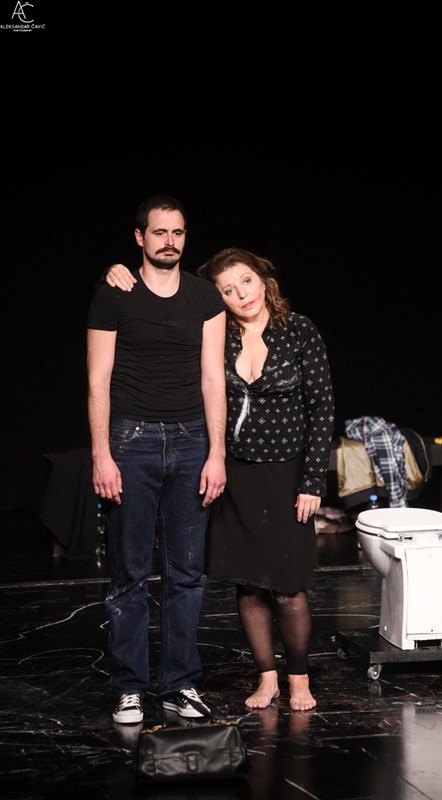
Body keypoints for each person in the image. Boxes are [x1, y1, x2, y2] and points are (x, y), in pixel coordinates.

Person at [106, 246, 335, 711]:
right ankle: (267, 678)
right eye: (228, 290)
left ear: (263, 278)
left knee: (288, 585)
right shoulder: (216, 333)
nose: (241, 294)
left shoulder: (299, 330)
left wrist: (313, 481)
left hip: (287, 476)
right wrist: (114, 273)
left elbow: (322, 408)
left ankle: (298, 679)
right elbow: (163, 303)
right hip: (234, 477)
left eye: (246, 281)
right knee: (248, 585)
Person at [87, 194, 227, 726]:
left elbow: (213, 378)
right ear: (140, 237)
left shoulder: (204, 296)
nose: (170, 241)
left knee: (185, 573)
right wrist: (102, 454)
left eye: (178, 232)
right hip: (132, 441)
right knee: (128, 573)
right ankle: (129, 687)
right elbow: (98, 380)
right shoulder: (114, 294)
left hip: (193, 442)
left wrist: (217, 453)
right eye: (160, 232)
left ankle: (178, 685)